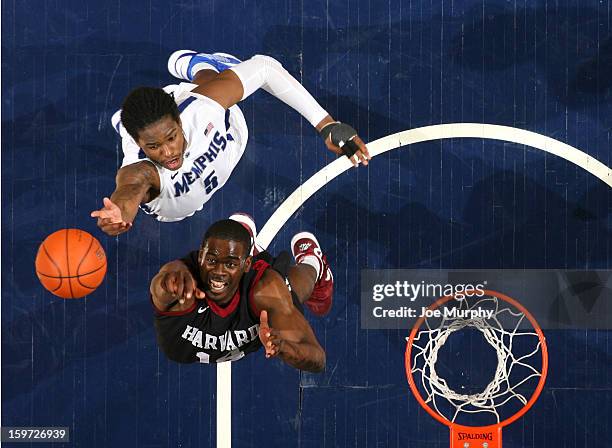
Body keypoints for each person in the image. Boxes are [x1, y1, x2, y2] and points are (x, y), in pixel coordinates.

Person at [91, 50, 370, 235]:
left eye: (172, 137)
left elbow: (265, 67)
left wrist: (326, 125)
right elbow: (129, 190)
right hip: (177, 202)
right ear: (140, 145)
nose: (168, 152)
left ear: (178, 120)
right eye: (153, 146)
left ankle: (202, 66)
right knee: (202, 91)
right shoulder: (141, 170)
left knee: (211, 86)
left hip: (231, 138)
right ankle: (129, 120)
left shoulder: (198, 109)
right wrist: (119, 212)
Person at [149, 214, 333, 372]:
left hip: (256, 297)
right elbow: (163, 283)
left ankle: (314, 262)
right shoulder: (183, 285)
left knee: (296, 285)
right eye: (212, 260)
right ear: (200, 257)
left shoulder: (265, 291)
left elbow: (318, 358)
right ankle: (243, 245)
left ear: (247, 265)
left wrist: (283, 347)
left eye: (230, 264)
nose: (219, 272)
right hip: (186, 342)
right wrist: (167, 283)